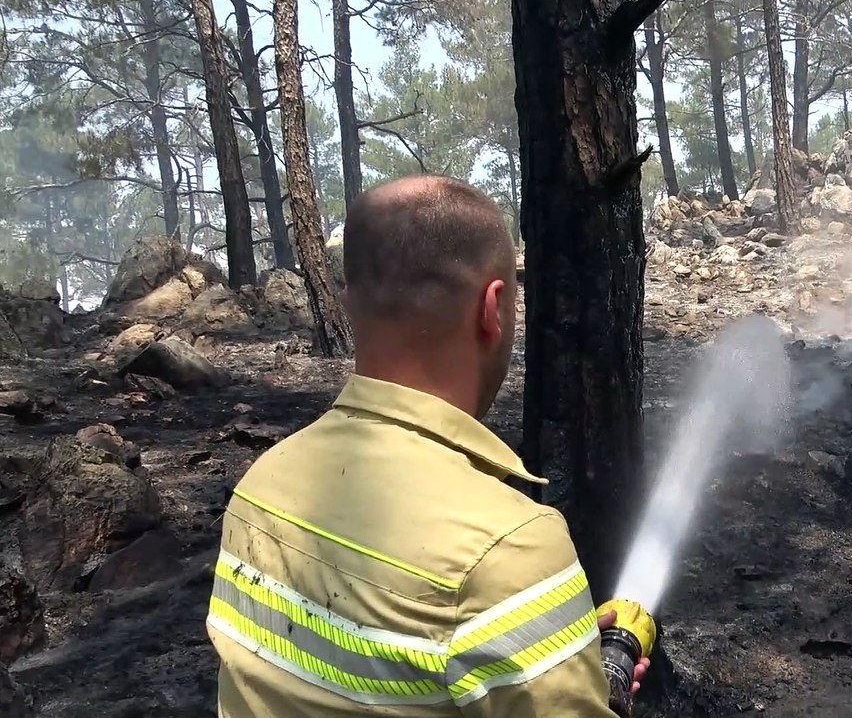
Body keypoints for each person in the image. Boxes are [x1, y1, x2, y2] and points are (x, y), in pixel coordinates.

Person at [206, 175, 648, 717]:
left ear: (349, 304)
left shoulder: (258, 491)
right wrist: (610, 686)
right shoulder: (504, 550)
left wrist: (548, 645)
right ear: (494, 307)